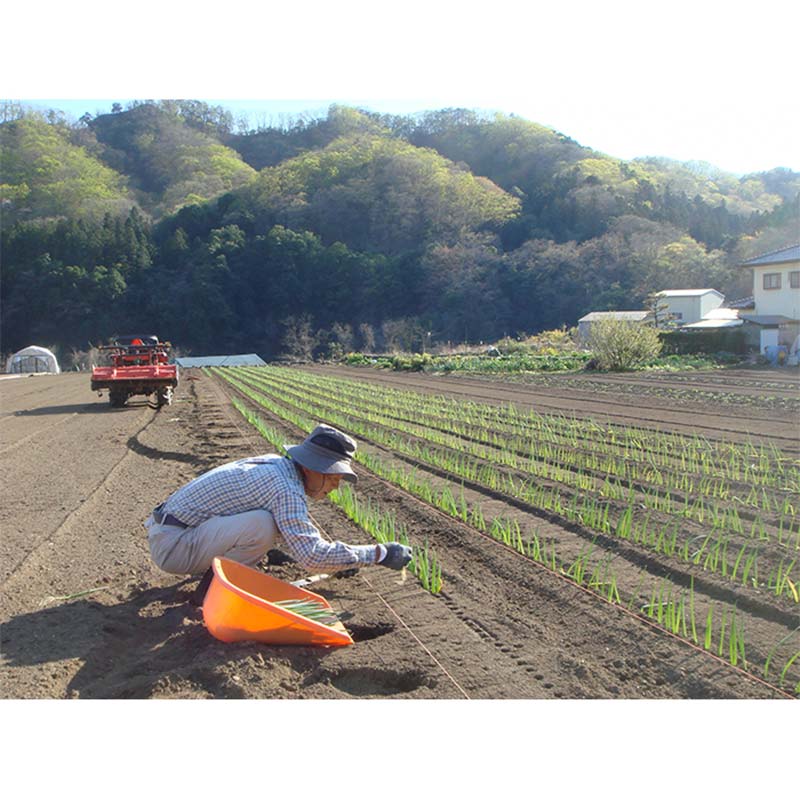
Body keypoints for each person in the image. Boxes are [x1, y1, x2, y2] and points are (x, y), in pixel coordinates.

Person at [144, 423, 413, 604]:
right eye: (333, 478)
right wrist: (380, 553)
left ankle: (220, 576)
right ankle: (212, 592)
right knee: (261, 526)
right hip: (173, 547)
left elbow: (295, 532)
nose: (335, 487)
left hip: (172, 531)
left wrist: (343, 561)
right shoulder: (284, 487)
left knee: (265, 524)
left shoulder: (276, 465)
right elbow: (313, 556)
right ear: (312, 468)